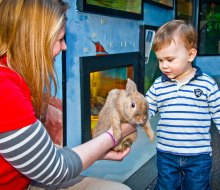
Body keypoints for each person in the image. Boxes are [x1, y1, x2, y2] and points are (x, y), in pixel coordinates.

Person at [0, 0, 136, 190]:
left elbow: (36, 152)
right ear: (34, 40)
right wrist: (114, 135)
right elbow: (53, 170)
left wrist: (98, 150)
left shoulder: (12, 76)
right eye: (59, 39)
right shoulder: (4, 89)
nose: (64, 47)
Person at [146, 19, 220, 189]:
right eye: (160, 60)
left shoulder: (207, 84)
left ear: (190, 55)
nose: (164, 65)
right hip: (166, 153)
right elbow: (146, 108)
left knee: (197, 187)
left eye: (170, 59)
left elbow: (218, 112)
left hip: (198, 155)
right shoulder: (159, 84)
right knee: (165, 186)